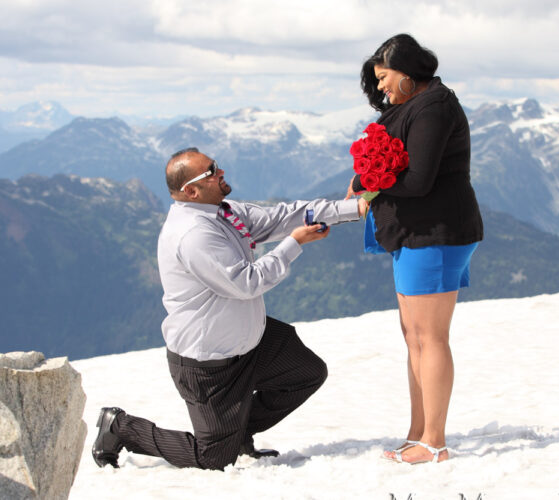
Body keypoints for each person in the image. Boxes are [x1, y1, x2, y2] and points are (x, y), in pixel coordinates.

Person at [92, 147, 367, 470]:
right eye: (211, 171)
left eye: (216, 166)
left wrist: (355, 207)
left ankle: (237, 433)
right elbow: (246, 283)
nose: (220, 172)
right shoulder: (193, 235)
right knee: (211, 457)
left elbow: (283, 215)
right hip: (209, 364)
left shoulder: (222, 211)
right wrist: (294, 244)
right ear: (191, 191)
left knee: (307, 373)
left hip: (252, 342)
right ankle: (120, 427)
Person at [346, 34, 484, 464]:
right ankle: (419, 431)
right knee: (414, 337)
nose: (382, 88)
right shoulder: (412, 105)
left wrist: (372, 184)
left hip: (437, 232)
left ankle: (434, 442)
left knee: (430, 336)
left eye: (385, 78)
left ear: (406, 70)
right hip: (416, 233)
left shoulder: (435, 106)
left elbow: (419, 179)